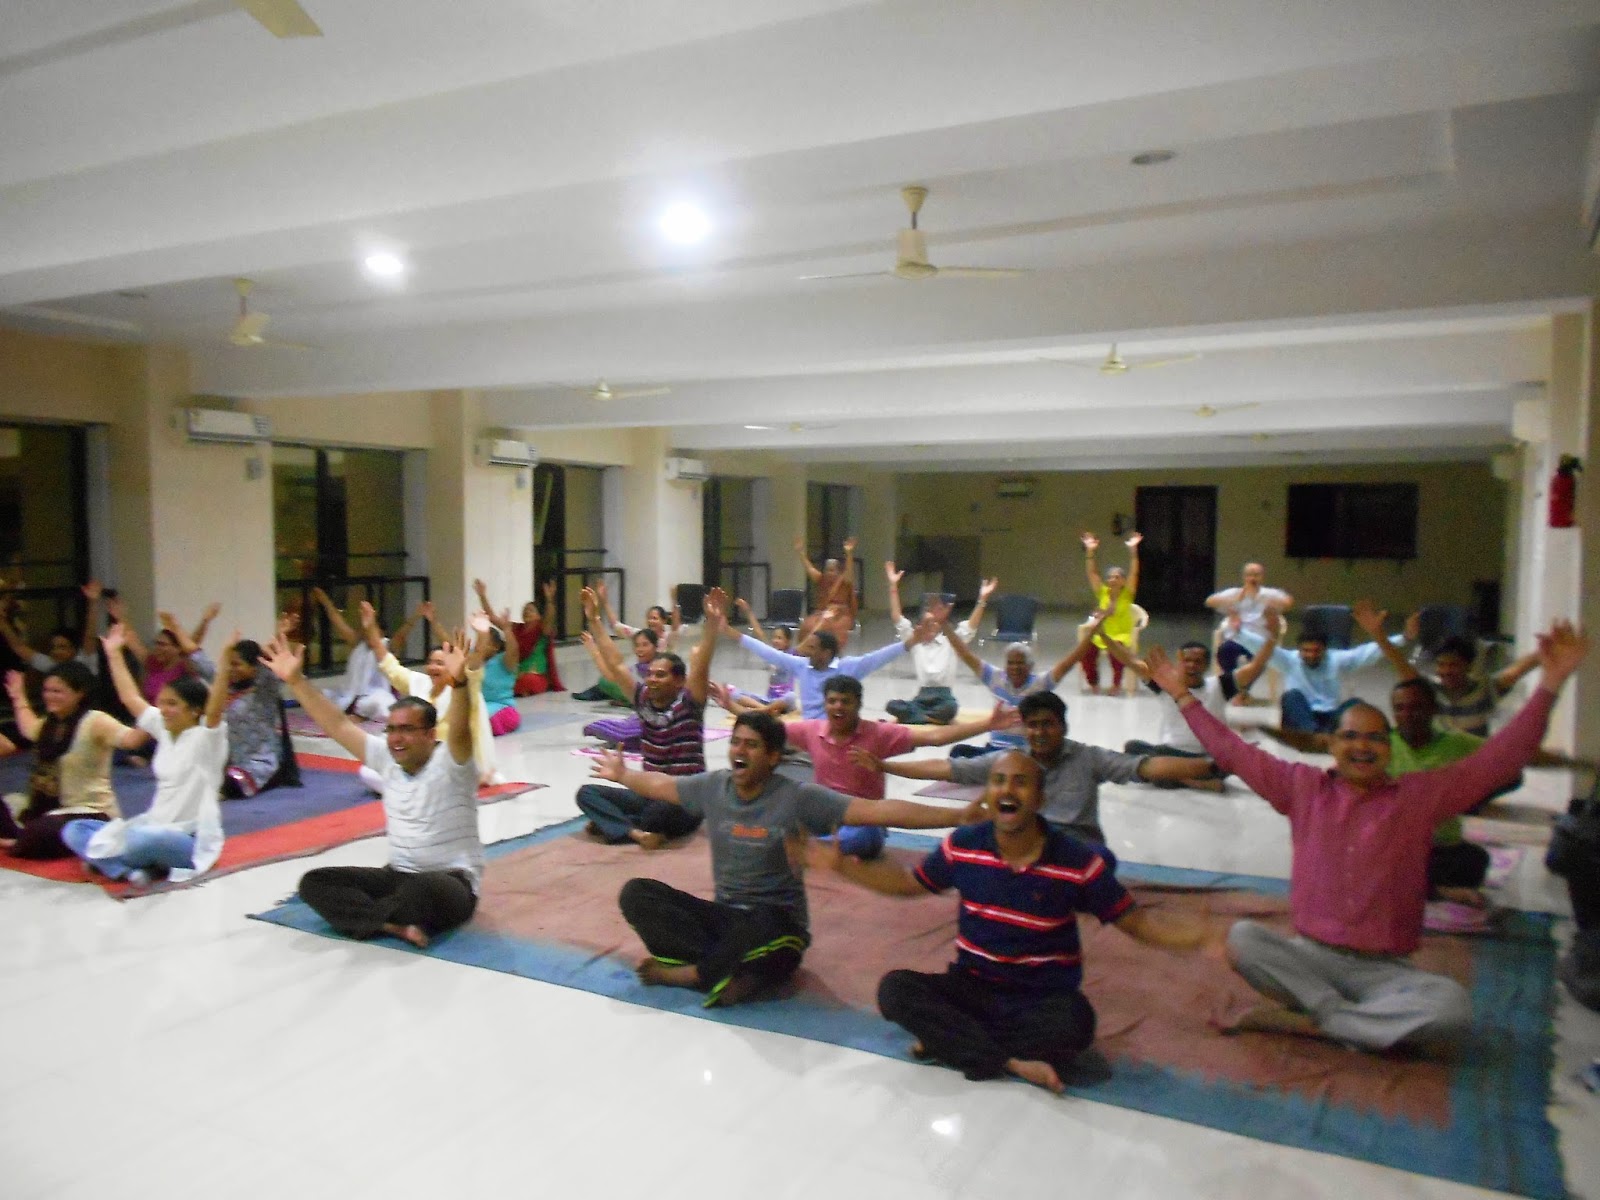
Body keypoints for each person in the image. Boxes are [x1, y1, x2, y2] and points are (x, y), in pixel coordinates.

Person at [1142, 621, 1588, 1051]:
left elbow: (1499, 761)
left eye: (1375, 738)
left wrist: (1551, 683)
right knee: (1243, 939)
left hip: (1385, 971)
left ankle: (1320, 1021)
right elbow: (1231, 751)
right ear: (1331, 745)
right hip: (1309, 958)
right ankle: (1351, 1022)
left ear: (1389, 748)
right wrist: (1181, 695)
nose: (1362, 746)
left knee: (1451, 1007)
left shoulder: (1418, 798)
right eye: (1350, 737)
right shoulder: (1302, 788)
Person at [809, 749, 1205, 1093]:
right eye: (998, 781)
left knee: (1076, 1024)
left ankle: (954, 1041)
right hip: (971, 986)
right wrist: (846, 869)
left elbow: (1133, 921)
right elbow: (909, 884)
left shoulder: (1076, 862)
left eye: (1020, 782)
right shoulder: (964, 845)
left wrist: (1197, 938)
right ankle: (1010, 1061)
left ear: (1040, 799)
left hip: (1039, 998)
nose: (1007, 790)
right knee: (895, 990)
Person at [588, 710, 980, 1007]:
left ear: (774, 757)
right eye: (736, 742)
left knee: (767, 929)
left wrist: (959, 816)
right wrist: (624, 776)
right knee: (637, 894)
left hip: (776, 926)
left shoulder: (797, 797)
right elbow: (663, 786)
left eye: (752, 745)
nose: (739, 751)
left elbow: (876, 811)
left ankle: (697, 974)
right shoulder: (713, 787)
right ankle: (736, 971)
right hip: (728, 919)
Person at [264, 635, 482, 948]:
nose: (396, 738)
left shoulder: (453, 762)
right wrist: (297, 682)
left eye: (407, 729)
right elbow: (338, 726)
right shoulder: (386, 758)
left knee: (418, 892)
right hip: (398, 875)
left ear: (430, 734)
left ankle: (372, 916)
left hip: (449, 882)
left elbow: (461, 731)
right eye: (391, 729)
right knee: (314, 883)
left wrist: (459, 683)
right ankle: (392, 924)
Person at [864, 691, 1217, 845]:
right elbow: (947, 769)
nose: (1039, 732)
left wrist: (1208, 767)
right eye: (1032, 725)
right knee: (969, 840)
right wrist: (886, 767)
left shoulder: (1089, 758)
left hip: (1077, 844)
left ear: (1063, 726)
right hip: (1028, 840)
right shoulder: (1010, 762)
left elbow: (1146, 767)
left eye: (1047, 724)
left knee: (1096, 866)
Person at [60, 623, 231, 886]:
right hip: (152, 825)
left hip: (187, 839)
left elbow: (215, 710)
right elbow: (130, 697)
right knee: (74, 829)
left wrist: (225, 664)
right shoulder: (163, 727)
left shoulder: (207, 738)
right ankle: (128, 871)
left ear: (195, 710)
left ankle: (114, 863)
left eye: (172, 704)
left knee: (143, 840)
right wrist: (114, 654)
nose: (163, 709)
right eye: (161, 703)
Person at [784, 674, 1016, 859]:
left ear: (858, 704)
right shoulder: (811, 730)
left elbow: (935, 737)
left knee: (861, 837)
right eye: (832, 701)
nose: (838, 707)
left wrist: (988, 724)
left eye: (846, 701)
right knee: (780, 818)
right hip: (824, 815)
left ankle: (813, 847)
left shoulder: (879, 733)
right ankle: (815, 846)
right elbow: (770, 729)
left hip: (866, 821)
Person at [572, 585, 723, 849]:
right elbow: (617, 664)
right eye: (651, 674)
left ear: (679, 681)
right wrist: (594, 620)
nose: (652, 679)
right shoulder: (642, 699)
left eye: (660, 675)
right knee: (587, 793)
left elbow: (703, 665)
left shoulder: (690, 704)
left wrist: (711, 625)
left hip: (683, 798)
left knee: (660, 813)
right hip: (648, 792)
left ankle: (618, 824)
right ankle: (635, 833)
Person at [1109, 609, 1281, 791]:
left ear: (1206, 665)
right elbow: (1130, 661)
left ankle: (1177, 777)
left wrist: (1272, 637)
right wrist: (1103, 636)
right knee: (1132, 747)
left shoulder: (1220, 685)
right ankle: (1192, 781)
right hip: (1173, 754)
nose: (1192, 665)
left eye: (1197, 661)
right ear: (1179, 661)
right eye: (1187, 660)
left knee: (1148, 763)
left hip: (1207, 757)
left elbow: (1256, 666)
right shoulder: (1166, 684)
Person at [1, 664, 141, 857]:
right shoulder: (49, 723)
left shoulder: (96, 721)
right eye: (47, 690)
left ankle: (18, 840)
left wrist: (149, 715)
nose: (49, 696)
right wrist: (18, 696)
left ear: (79, 693)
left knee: (42, 831)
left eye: (57, 691)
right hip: (50, 810)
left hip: (90, 811)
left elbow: (132, 740)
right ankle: (21, 836)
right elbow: (29, 729)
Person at [360, 600, 495, 785]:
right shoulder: (420, 683)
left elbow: (476, 663)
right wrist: (370, 628)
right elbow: (388, 664)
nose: (433, 667)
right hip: (423, 760)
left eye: (440, 663)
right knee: (368, 772)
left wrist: (482, 635)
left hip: (456, 765)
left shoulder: (463, 690)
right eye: (430, 662)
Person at [1235, 597, 1410, 733]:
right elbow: (1260, 646)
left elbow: (1369, 652)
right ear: (1299, 650)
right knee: (1291, 697)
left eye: (1316, 651)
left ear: (1325, 650)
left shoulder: (1337, 660)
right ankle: (1318, 734)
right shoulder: (1289, 660)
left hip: (1330, 715)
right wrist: (1238, 632)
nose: (1311, 655)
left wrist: (1404, 637)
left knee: (1356, 703)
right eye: (1306, 651)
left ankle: (1320, 735)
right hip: (1301, 714)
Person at [729, 610, 937, 720]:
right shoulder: (801, 666)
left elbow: (879, 657)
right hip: (808, 732)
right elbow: (768, 653)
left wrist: (912, 641)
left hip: (834, 731)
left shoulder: (847, 668)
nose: (806, 651)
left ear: (826, 653)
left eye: (812, 648)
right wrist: (729, 631)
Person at [946, 614, 1105, 757]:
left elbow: (1068, 663)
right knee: (958, 752)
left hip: (1023, 755)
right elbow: (965, 654)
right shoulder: (995, 678)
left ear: (1030, 666)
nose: (1014, 667)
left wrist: (1092, 633)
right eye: (1011, 663)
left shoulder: (1039, 684)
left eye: (1020, 663)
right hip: (994, 750)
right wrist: (944, 624)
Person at [883, 563, 993, 724]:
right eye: (927, 623)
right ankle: (929, 718)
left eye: (935, 623)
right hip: (922, 696)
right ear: (920, 625)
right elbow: (897, 619)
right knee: (892, 705)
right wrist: (893, 586)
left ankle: (919, 717)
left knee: (950, 708)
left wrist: (982, 599)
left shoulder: (950, 641)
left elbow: (970, 627)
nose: (931, 626)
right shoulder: (915, 641)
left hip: (944, 696)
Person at [1422, 633, 1540, 737]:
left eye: (1453, 665)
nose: (1446, 671)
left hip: (1477, 755)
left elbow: (1515, 672)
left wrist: (1544, 652)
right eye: (1441, 664)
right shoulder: (1429, 692)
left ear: (1468, 666)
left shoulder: (1483, 690)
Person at [308, 585, 396, 721]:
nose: (366, 630)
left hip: (374, 695)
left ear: (381, 632)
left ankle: (360, 716)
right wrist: (324, 600)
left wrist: (416, 615)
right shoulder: (358, 643)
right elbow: (336, 619)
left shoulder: (386, 645)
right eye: (364, 628)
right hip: (348, 695)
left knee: (378, 704)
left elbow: (402, 636)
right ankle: (353, 714)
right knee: (316, 694)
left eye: (370, 628)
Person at [474, 577, 563, 697]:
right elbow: (492, 618)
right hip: (516, 674)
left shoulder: (543, 629)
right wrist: (482, 596)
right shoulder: (516, 627)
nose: (526, 612)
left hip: (535, 676)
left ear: (539, 615)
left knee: (528, 681)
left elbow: (550, 618)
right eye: (525, 610)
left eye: (531, 610)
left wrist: (550, 600)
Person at [1079, 531, 1141, 694]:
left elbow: (1134, 572)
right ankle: (1093, 682)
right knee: (1086, 652)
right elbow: (1092, 573)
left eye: (1117, 577)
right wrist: (1090, 551)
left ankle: (1116, 684)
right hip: (1102, 634)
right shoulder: (1103, 592)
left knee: (1117, 653)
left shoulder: (1127, 593)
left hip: (1120, 635)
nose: (1113, 579)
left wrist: (1133, 550)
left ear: (1123, 581)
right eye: (1110, 577)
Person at [1206, 563, 1294, 675]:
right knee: (1225, 651)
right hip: (1238, 638)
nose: (1252, 578)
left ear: (1262, 577)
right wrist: (1233, 601)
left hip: (1260, 640)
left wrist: (1268, 602)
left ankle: (1246, 683)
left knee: (1259, 662)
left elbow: (1288, 603)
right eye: (1249, 575)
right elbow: (1209, 601)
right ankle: (1231, 681)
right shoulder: (1235, 593)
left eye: (1256, 575)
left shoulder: (1269, 594)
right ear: (1244, 577)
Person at [0, 579, 102, 674]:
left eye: (62, 647)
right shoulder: (51, 665)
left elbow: (90, 636)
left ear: (74, 650)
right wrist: (2, 621)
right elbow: (19, 647)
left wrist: (93, 601)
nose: (56, 651)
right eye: (53, 647)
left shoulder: (84, 662)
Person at [469, 611, 525, 736]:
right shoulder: (474, 659)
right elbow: (451, 646)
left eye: (485, 640)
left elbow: (514, 651)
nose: (479, 644)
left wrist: (507, 630)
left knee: (481, 723)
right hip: (478, 707)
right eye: (479, 639)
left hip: (502, 708)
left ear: (495, 646)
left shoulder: (503, 661)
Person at [795, 536, 859, 645]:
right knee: (808, 625)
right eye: (827, 570)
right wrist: (800, 552)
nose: (829, 573)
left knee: (833, 628)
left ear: (838, 571)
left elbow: (849, 570)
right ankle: (808, 649)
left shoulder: (844, 581)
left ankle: (830, 651)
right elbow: (810, 568)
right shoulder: (822, 579)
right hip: (822, 612)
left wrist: (849, 553)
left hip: (841, 615)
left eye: (832, 570)